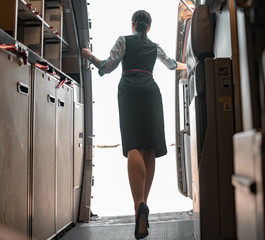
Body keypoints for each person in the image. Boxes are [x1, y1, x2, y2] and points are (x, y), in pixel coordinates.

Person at [81, 10, 186, 239]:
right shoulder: (155, 46)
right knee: (150, 147)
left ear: (132, 25)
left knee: (134, 147)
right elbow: (170, 65)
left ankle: (138, 205)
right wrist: (186, 66)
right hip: (150, 91)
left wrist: (90, 56)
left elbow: (108, 66)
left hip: (129, 91)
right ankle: (143, 204)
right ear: (148, 27)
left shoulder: (123, 40)